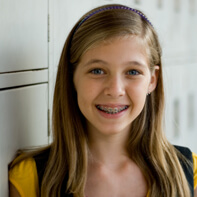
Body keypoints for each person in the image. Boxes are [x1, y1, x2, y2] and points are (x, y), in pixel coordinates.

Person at [9, 4, 197, 197]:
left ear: (152, 80)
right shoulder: (31, 179)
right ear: (72, 77)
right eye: (97, 71)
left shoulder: (188, 172)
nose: (115, 90)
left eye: (133, 72)